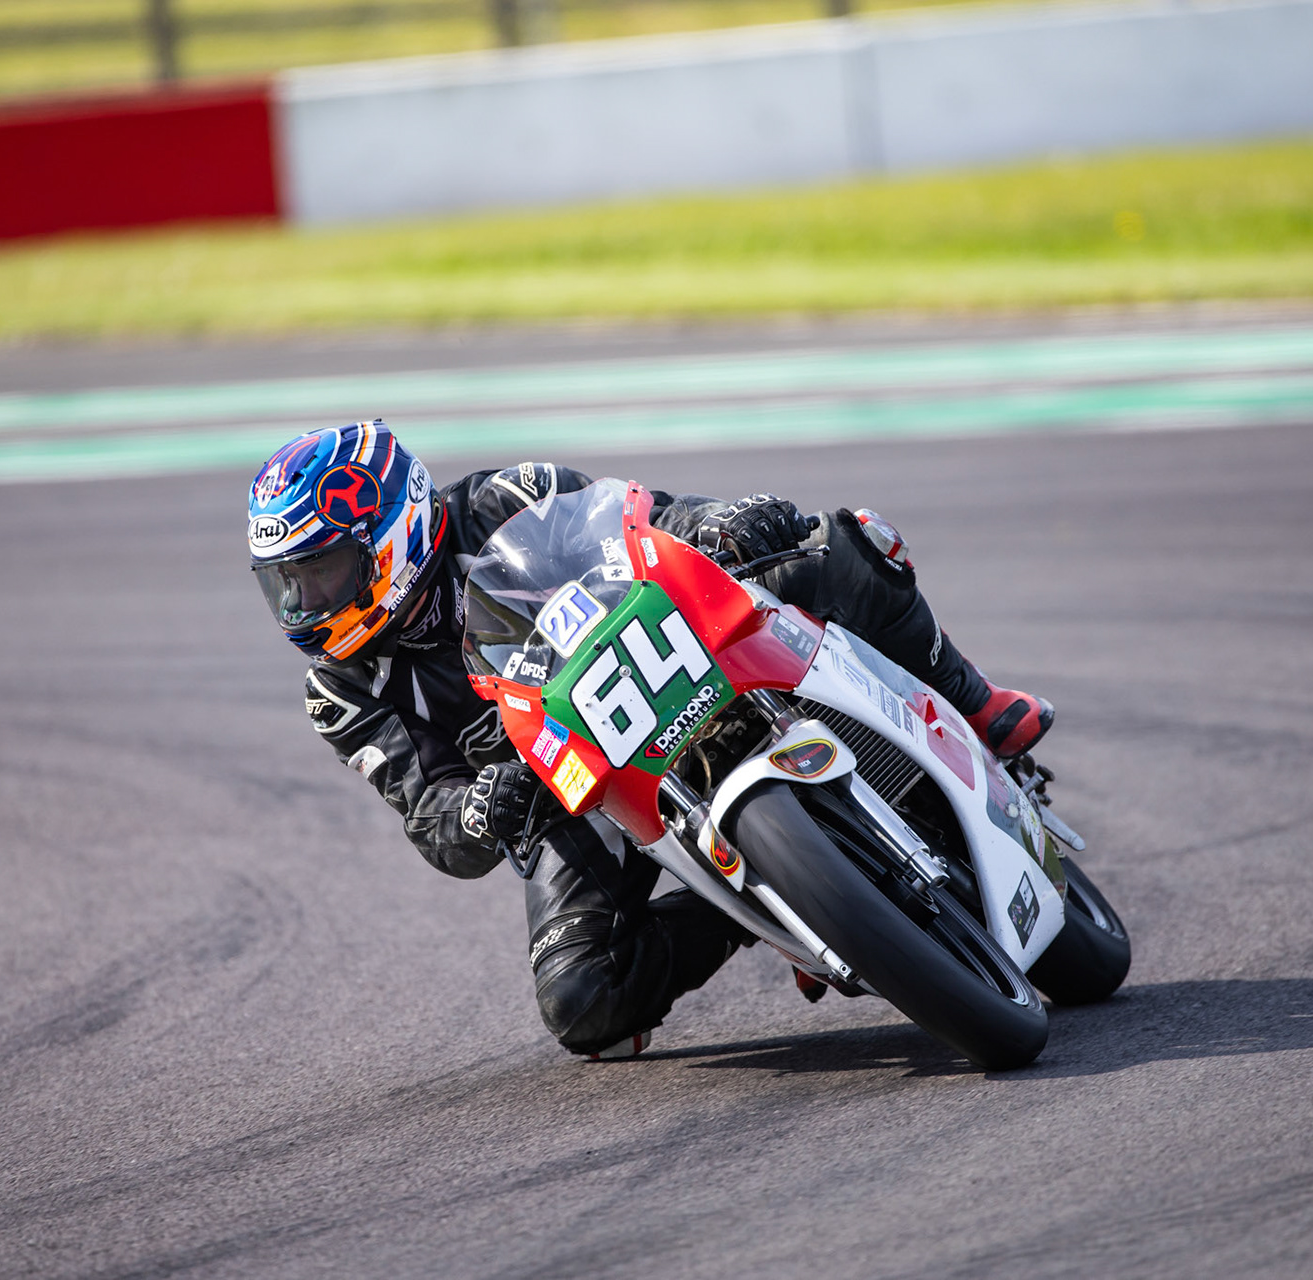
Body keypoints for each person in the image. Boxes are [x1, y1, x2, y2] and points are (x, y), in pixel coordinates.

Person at [248, 421, 1053, 1059]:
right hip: (570, 785)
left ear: (389, 533)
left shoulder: (505, 498)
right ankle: (783, 905)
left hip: (672, 649)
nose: (304, 604)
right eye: (286, 583)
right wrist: (482, 807)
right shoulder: (339, 690)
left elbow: (647, 521)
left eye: (322, 573)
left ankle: (976, 701)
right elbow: (433, 822)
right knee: (583, 1002)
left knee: (838, 543)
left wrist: (721, 522)